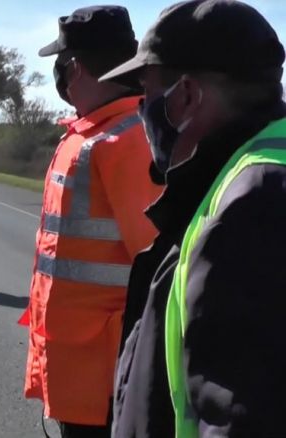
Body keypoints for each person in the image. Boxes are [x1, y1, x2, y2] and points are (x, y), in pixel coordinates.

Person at [98, 1, 286, 436]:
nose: (141, 110)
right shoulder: (246, 175)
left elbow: (238, 419)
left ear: (184, 96)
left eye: (146, 94)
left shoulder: (253, 204)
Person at [18, 6, 162, 437]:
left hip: (107, 379)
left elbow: (159, 268)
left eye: (60, 64)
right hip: (78, 368)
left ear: (75, 67)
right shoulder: (90, 135)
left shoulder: (127, 140)